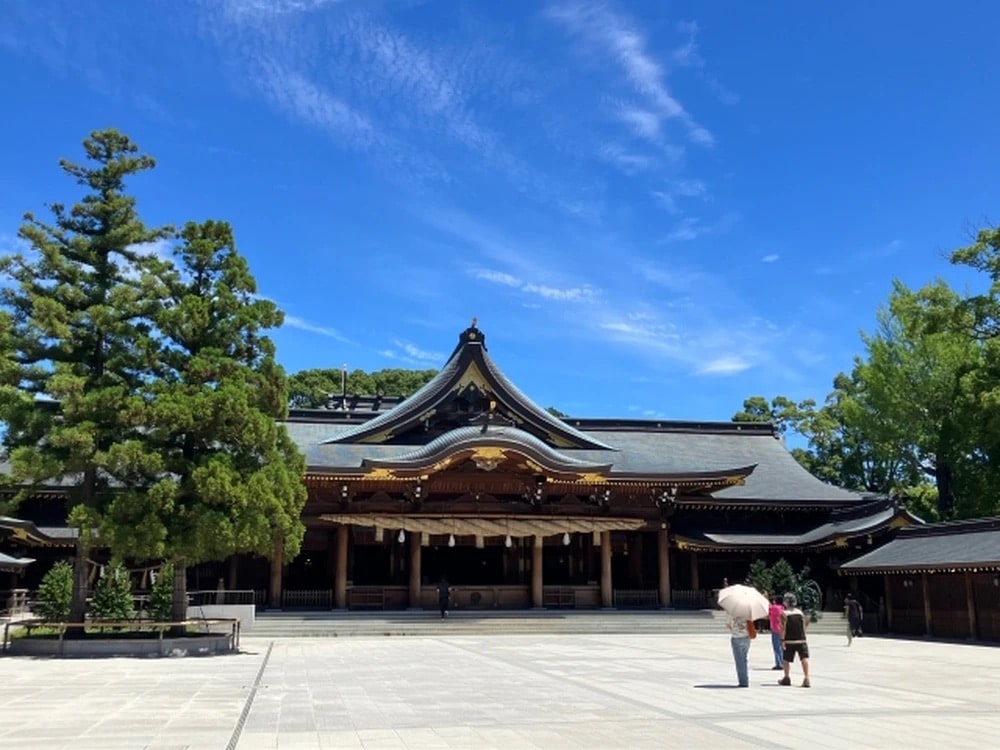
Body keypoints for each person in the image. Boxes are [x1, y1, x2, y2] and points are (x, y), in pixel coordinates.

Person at [779, 592, 810, 688]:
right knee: (804, 658)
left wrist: (782, 639)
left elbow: (783, 627)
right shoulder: (800, 613)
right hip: (801, 639)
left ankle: (786, 677)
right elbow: (804, 624)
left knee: (786, 659)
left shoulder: (784, 614)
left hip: (789, 640)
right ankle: (806, 677)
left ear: (786, 603)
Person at [725, 612, 752, 687]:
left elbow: (728, 625)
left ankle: (743, 681)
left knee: (739, 660)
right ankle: (745, 678)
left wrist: (734, 629)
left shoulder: (730, 612)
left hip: (736, 637)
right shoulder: (747, 612)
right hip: (746, 637)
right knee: (744, 658)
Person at [768, 595, 785, 670]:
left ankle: (779, 664)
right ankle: (783, 662)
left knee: (776, 647)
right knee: (781, 647)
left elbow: (767, 609)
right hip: (782, 629)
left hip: (775, 629)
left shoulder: (774, 607)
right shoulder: (782, 608)